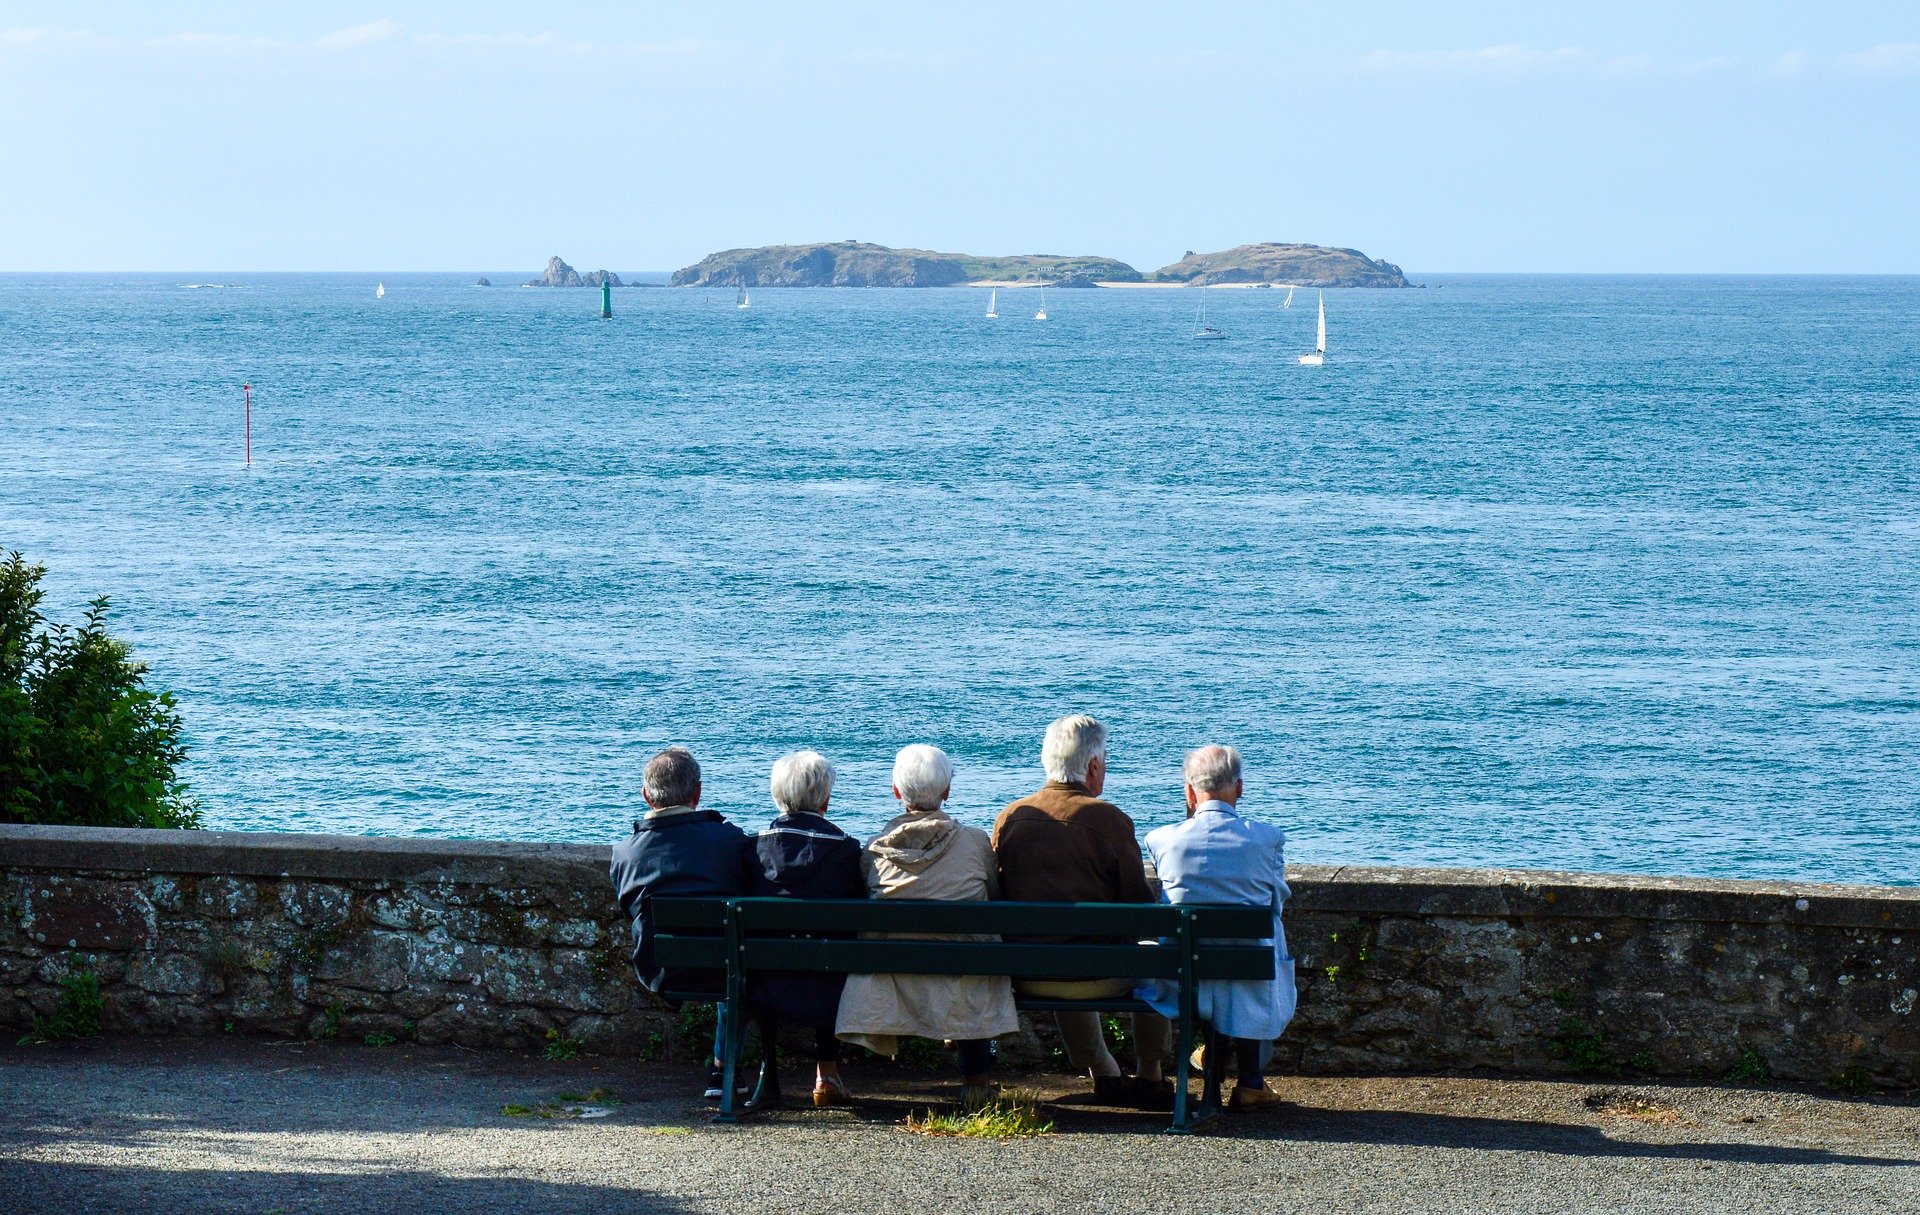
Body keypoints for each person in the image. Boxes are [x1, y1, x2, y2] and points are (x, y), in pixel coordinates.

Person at [992, 714, 1173, 1108]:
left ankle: (1104, 1071)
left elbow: (998, 894)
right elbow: (1141, 907)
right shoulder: (1108, 819)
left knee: (1060, 946)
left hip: (1029, 974)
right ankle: (1150, 1073)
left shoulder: (1011, 818)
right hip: (1100, 976)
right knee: (1154, 954)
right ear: (1092, 766)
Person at [836, 744, 1018, 1099]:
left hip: (892, 977)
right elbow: (994, 898)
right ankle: (977, 1085)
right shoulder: (975, 843)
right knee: (970, 957)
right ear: (947, 791)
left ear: (896, 792)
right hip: (965, 974)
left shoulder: (874, 851)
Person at [1141, 744, 1296, 1111]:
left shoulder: (1160, 839)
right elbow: (1276, 904)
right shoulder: (1267, 839)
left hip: (1181, 977)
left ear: (1189, 791)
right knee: (1262, 946)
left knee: (1216, 967)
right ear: (1239, 788)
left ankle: (1217, 1061)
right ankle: (1251, 1081)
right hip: (1248, 973)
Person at [608, 745, 756, 1104]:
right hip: (725, 968)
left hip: (661, 968)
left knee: (727, 952)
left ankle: (722, 1069)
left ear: (646, 794)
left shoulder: (625, 852)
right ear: (698, 793)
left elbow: (629, 908)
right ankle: (723, 1067)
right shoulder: (730, 841)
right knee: (732, 953)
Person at [747, 750, 867, 1109]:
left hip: (763, 984)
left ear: (777, 796)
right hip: (830, 986)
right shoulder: (846, 852)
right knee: (828, 953)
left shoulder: (752, 849)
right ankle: (826, 1072)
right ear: (825, 800)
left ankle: (768, 1071)